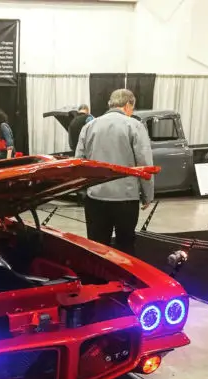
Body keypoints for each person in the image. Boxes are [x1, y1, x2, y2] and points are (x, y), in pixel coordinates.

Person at [75, 88, 154, 256]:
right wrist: (148, 194)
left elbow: (79, 162)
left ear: (109, 104)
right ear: (128, 105)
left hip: (96, 197)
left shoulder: (89, 126)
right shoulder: (135, 126)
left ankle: (97, 272)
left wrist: (83, 191)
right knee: (125, 246)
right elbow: (144, 163)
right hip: (125, 198)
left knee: (96, 247)